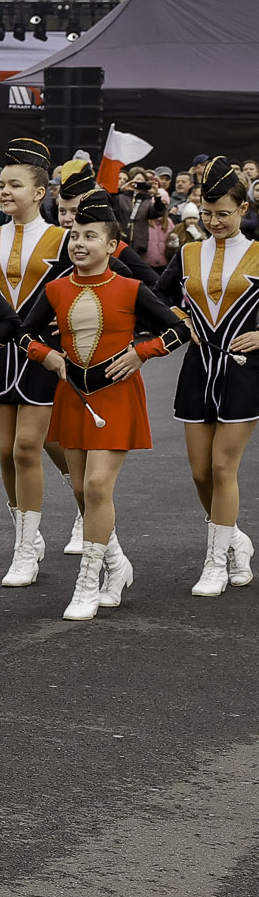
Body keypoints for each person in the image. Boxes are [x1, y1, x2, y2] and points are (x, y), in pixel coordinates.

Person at [17, 191, 186, 619]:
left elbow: (177, 329)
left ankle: (87, 582)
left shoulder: (131, 288)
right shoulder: (55, 290)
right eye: (74, 235)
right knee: (79, 490)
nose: (79, 243)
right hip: (73, 396)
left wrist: (141, 353)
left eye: (90, 236)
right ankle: (116, 564)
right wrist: (46, 355)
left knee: (96, 487)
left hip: (117, 397)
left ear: (111, 246)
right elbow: (22, 334)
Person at [153, 158, 259, 595]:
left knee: (222, 467)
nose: (214, 221)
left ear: (244, 209)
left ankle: (215, 561)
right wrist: (181, 322)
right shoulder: (189, 253)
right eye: (208, 212)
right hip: (198, 369)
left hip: (243, 371)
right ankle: (233, 538)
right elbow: (156, 298)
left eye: (224, 213)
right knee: (200, 472)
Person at [0, 141, 67, 585]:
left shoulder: (64, 240)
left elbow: (101, 283)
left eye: (15, 185)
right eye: (1, 185)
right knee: (7, 451)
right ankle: (26, 531)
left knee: (29, 447)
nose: (4, 192)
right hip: (2, 353)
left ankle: (27, 547)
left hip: (46, 354)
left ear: (40, 191)